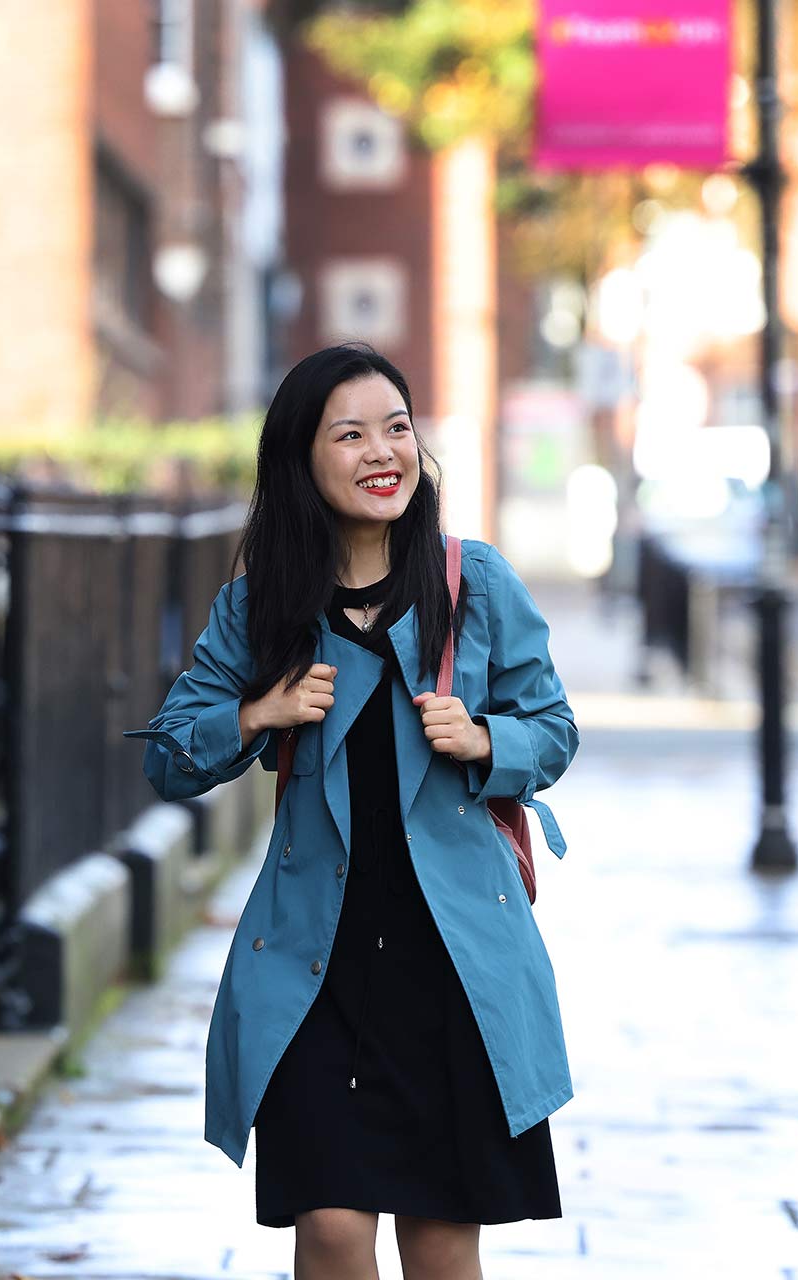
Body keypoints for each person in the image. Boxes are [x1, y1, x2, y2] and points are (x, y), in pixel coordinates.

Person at [125, 343, 579, 1280]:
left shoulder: (474, 584)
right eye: (352, 434)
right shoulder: (264, 609)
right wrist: (260, 711)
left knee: (441, 1237)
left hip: (452, 965)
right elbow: (170, 757)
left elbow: (556, 728)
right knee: (329, 1225)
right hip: (315, 966)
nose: (384, 451)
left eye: (398, 427)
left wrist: (489, 740)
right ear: (303, 461)